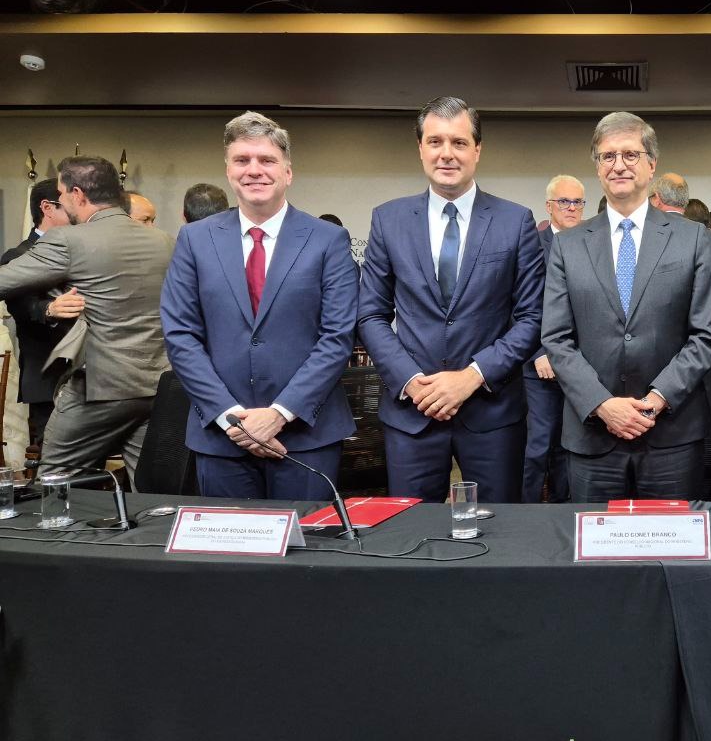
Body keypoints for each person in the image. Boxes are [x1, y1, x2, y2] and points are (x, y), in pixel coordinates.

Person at [161, 112, 359, 499]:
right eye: (242, 160)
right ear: (229, 170)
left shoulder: (328, 240)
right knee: (229, 558)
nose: (255, 170)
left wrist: (279, 413)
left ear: (288, 172)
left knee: (308, 553)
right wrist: (230, 415)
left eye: (267, 160)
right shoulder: (194, 240)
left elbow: (337, 337)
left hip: (306, 435)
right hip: (221, 437)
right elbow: (180, 335)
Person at [358, 96, 544, 504]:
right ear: (420, 148)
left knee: (500, 534)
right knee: (410, 536)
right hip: (412, 411)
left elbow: (532, 317)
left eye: (459, 143)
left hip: (492, 414)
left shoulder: (515, 222)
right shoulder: (388, 220)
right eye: (435, 141)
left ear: (477, 150)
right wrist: (412, 381)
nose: (447, 154)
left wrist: (471, 377)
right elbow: (370, 315)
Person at [542, 111, 711, 501]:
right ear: (597, 166)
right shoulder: (567, 245)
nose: (618, 165)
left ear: (651, 164)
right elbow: (556, 338)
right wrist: (603, 404)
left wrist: (657, 399)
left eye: (630, 154)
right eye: (607, 156)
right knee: (595, 556)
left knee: (672, 555)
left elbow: (706, 335)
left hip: (671, 435)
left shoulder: (692, 240)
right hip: (592, 434)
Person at [0, 156, 173, 480]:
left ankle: (60, 533)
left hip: (102, 386)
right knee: (148, 488)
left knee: (56, 481)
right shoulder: (161, 240)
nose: (62, 202)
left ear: (78, 195)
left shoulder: (71, 240)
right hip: (155, 385)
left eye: (63, 194)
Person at [522, 174, 586, 503]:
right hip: (541, 366)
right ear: (549, 206)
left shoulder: (593, 243)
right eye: (564, 201)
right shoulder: (532, 243)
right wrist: (538, 351)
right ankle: (527, 515)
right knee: (539, 445)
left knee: (568, 445)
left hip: (581, 365)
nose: (572, 208)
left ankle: (562, 512)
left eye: (577, 202)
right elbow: (521, 305)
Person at [0, 179, 75, 445]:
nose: (78, 213)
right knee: (53, 467)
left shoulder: (83, 249)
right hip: (48, 377)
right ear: (47, 208)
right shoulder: (18, 255)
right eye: (70, 206)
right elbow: (20, 306)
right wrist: (49, 309)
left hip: (89, 378)